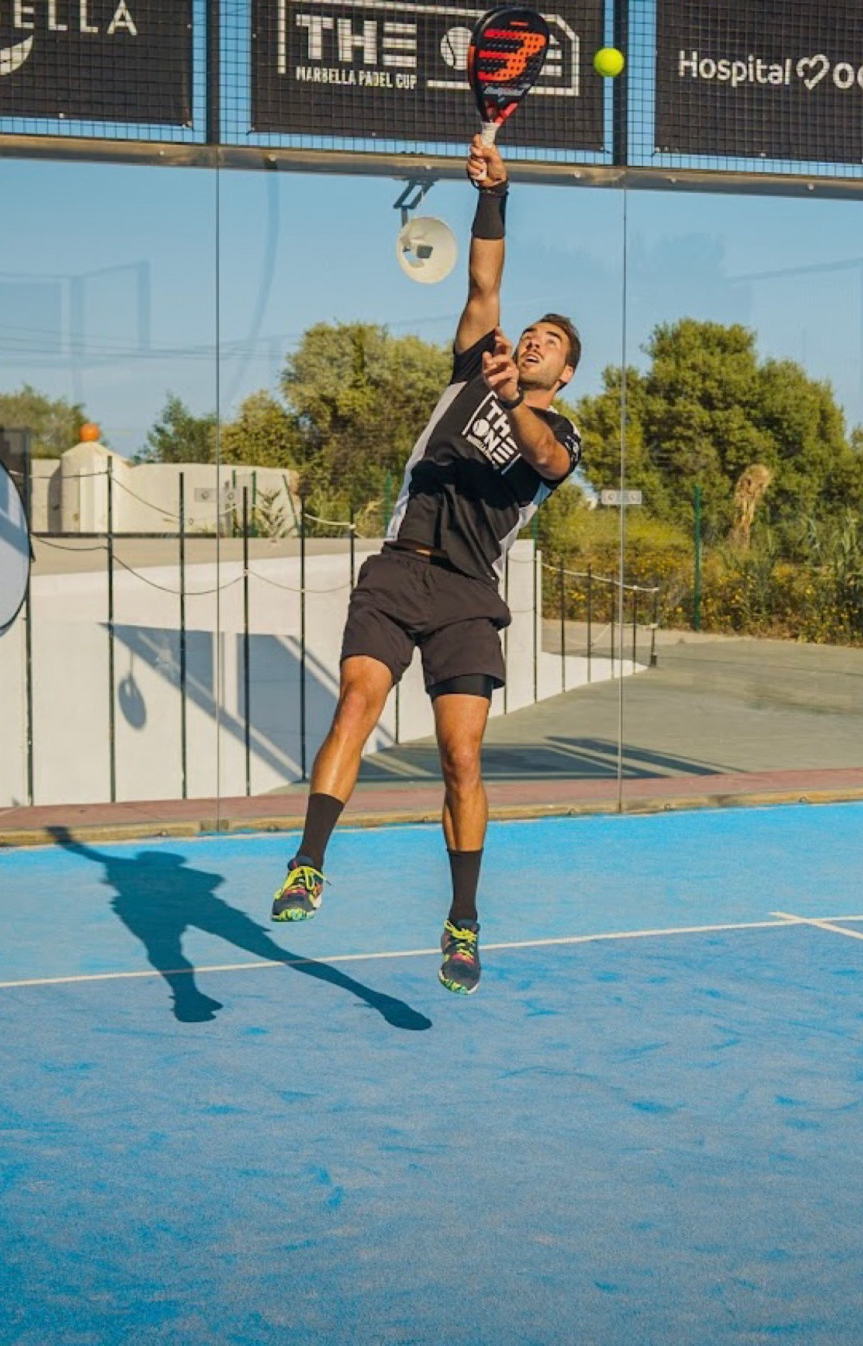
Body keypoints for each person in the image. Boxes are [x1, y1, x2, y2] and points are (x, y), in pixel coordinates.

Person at [269, 132, 582, 996]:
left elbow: (545, 459)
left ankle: (463, 921)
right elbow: (483, 281)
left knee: (461, 758)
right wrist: (493, 191)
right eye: (530, 333)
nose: (533, 341)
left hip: (468, 597)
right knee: (357, 702)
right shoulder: (474, 368)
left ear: (565, 372)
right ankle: (308, 864)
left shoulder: (559, 430)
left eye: (550, 342)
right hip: (398, 570)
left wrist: (515, 402)